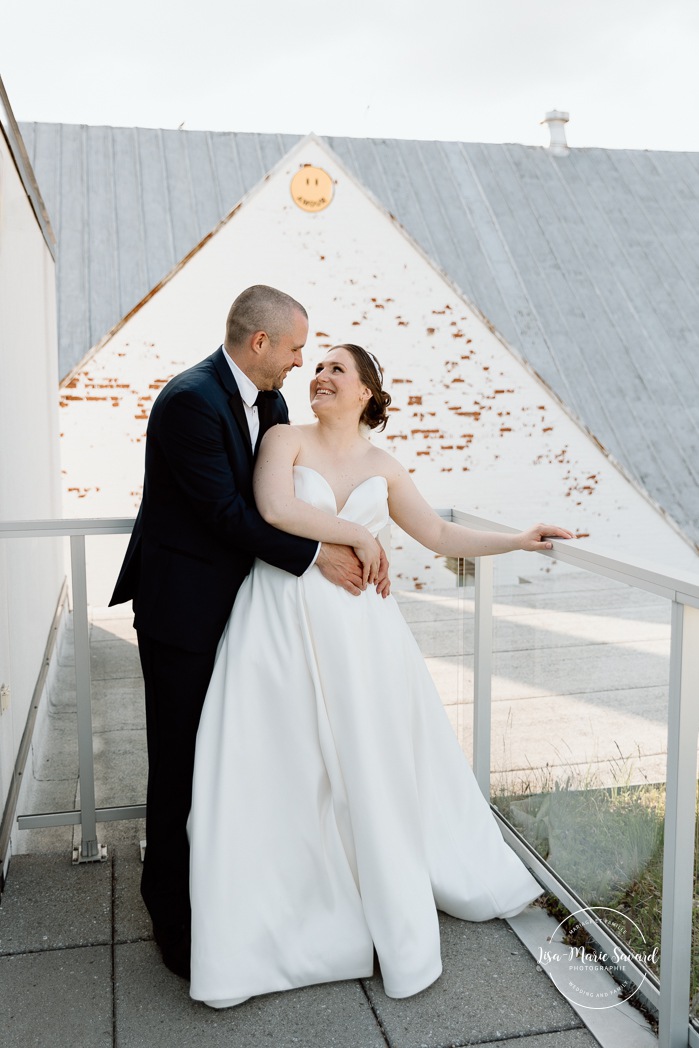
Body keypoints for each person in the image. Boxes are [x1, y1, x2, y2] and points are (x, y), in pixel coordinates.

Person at [188, 342, 574, 1007]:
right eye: (317, 368)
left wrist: (516, 539)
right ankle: (289, 920)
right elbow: (273, 510)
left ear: (367, 389)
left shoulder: (383, 465)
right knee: (282, 762)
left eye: (337, 369)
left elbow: (438, 536)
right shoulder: (283, 437)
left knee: (372, 763)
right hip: (279, 619)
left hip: (363, 634)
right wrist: (360, 537)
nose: (320, 377)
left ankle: (382, 901)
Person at [109, 289, 388, 979]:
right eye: (296, 349)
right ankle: (171, 916)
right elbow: (227, 513)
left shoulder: (273, 405)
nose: (301, 362)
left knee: (232, 759)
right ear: (259, 342)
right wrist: (321, 552)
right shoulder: (189, 401)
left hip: (247, 611)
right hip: (181, 612)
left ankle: (232, 890)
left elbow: (286, 501)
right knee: (178, 765)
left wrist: (327, 540)